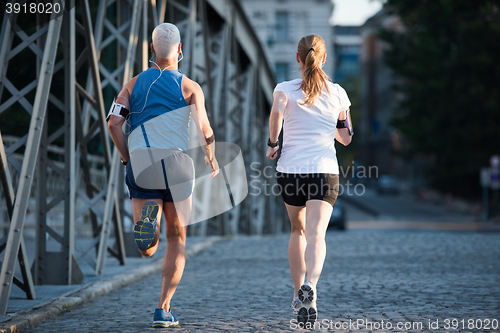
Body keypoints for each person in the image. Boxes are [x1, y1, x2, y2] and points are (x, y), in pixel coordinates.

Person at [107, 23, 218, 328]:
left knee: (149, 248)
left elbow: (114, 124)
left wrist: (126, 157)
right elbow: (205, 131)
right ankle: (163, 309)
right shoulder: (190, 86)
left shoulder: (131, 85)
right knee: (177, 238)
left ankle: (148, 228)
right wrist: (211, 158)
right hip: (178, 165)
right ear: (180, 50)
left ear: (151, 49)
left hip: (143, 163)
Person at [266, 34, 353, 326]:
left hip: (290, 171)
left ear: (297, 58)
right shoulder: (338, 93)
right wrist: (339, 121)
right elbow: (345, 139)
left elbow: (277, 111)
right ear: (323, 58)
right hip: (324, 171)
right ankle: (311, 287)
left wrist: (273, 142)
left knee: (297, 231)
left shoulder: (284, 89)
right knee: (317, 234)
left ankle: (296, 292)